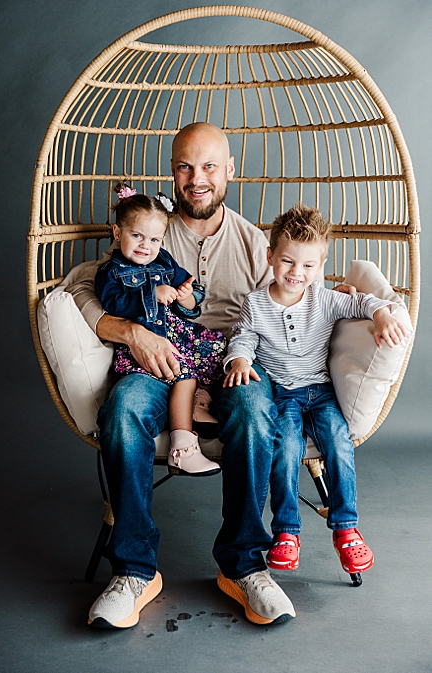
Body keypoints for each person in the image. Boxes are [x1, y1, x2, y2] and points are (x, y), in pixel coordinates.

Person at [68, 121, 303, 629]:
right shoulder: (148, 229)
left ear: (230, 172)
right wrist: (130, 331)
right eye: (184, 167)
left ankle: (244, 566)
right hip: (158, 360)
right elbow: (81, 285)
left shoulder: (251, 241)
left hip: (230, 361)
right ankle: (134, 570)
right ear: (172, 172)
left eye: (209, 167)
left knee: (255, 407)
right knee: (125, 406)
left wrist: (358, 301)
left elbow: (296, 299)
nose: (197, 179)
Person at [223, 204, 407, 575]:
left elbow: (361, 300)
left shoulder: (322, 298)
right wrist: (239, 360)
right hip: (284, 396)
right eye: (288, 262)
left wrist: (383, 313)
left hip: (320, 392)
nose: (297, 273)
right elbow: (242, 337)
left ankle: (346, 528)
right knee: (286, 448)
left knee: (338, 442)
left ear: (320, 265)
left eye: (308, 266)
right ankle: (287, 532)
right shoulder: (255, 304)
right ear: (270, 256)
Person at [95, 184, 225, 476]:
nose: (145, 246)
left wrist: (187, 296)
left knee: (218, 349)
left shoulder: (163, 259)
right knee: (184, 374)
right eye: (137, 236)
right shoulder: (111, 272)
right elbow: (113, 301)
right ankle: (183, 444)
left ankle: (197, 404)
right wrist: (152, 294)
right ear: (118, 233)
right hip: (146, 346)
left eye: (154, 239)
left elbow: (189, 293)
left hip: (178, 334)